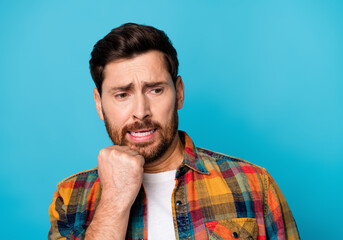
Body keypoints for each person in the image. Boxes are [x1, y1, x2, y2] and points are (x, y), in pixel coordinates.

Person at [48, 23, 300, 240]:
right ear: (99, 104)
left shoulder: (254, 185)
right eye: (122, 94)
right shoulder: (71, 197)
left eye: (155, 90)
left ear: (178, 92)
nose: (140, 111)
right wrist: (114, 201)